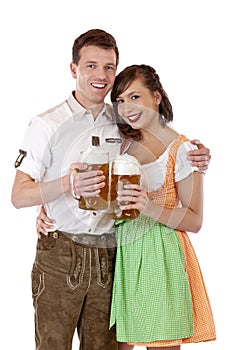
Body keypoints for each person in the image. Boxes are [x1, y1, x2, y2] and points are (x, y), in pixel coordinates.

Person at [11, 28, 211, 350]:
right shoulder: (46, 124)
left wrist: (197, 155)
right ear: (74, 69)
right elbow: (19, 195)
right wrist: (58, 194)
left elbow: (162, 151)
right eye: (91, 66)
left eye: (108, 67)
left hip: (112, 253)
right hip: (63, 251)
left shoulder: (121, 124)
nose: (101, 75)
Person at [108, 64, 216, 349]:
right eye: (119, 100)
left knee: (162, 343)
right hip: (123, 255)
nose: (126, 107)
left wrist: (146, 205)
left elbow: (194, 220)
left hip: (161, 254)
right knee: (117, 344)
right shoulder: (121, 145)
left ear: (156, 97)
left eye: (135, 97)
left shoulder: (184, 150)